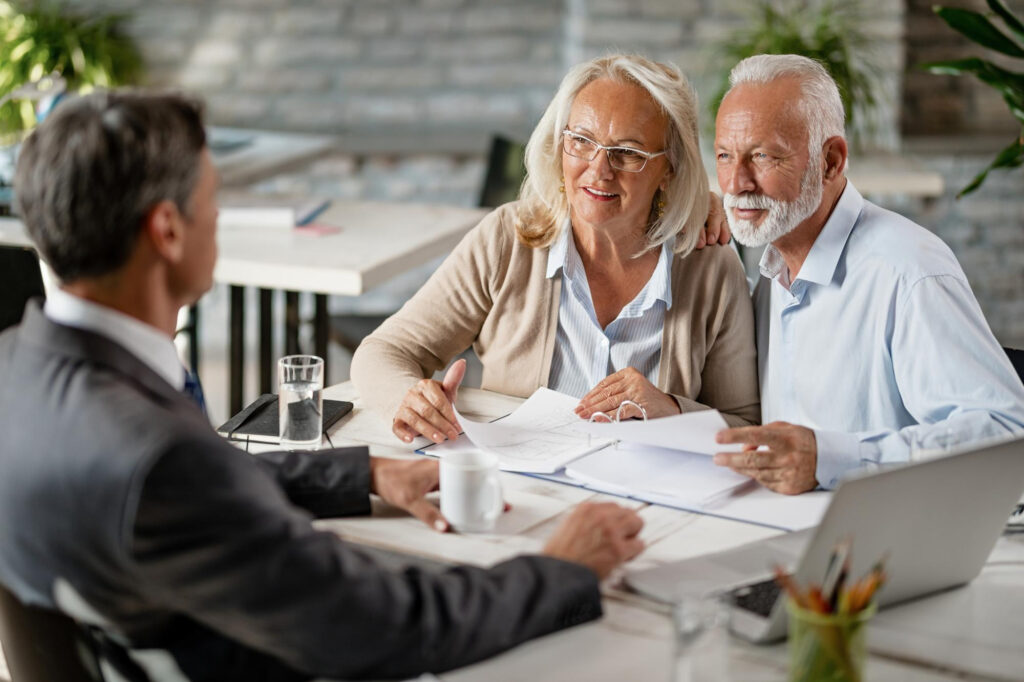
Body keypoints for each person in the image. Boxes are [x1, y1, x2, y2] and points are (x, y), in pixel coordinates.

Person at [0, 91, 647, 681]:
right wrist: (561, 568)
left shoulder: (17, 368)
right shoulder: (163, 460)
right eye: (213, 202)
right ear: (168, 230)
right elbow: (388, 627)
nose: (219, 220)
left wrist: (363, 473)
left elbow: (174, 495)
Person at [352, 54, 759, 445]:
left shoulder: (711, 265)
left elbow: (744, 424)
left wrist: (671, 409)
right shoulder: (507, 240)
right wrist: (409, 399)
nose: (599, 170)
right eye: (581, 141)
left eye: (629, 153)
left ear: (669, 167)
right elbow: (384, 351)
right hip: (521, 490)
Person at [711, 54, 1024, 494]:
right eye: (725, 155)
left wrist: (834, 459)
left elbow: (1006, 432)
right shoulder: (771, 267)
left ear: (832, 161)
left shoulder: (909, 271)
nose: (736, 182)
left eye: (763, 156)